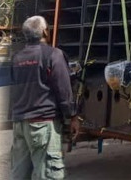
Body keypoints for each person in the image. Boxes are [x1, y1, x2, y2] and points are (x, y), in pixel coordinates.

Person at [10, 16, 80, 180]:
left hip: (20, 124)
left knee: (19, 174)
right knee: (48, 173)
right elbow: (63, 90)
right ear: (44, 32)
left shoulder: (17, 58)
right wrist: (73, 116)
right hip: (43, 125)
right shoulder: (53, 55)